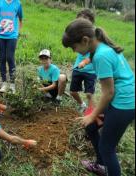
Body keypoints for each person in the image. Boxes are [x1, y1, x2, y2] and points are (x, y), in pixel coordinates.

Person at [62, 18, 135, 176]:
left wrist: (94, 114)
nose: (74, 51)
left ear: (85, 40)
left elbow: (108, 93)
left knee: (106, 148)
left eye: (74, 47)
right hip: (123, 98)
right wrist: (94, 116)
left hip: (124, 104)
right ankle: (101, 166)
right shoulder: (102, 47)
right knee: (90, 126)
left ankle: (106, 166)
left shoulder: (101, 55)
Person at [0, 0, 23, 93]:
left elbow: (20, 19)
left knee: (10, 57)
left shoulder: (18, 3)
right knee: (2, 58)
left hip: (12, 35)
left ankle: (12, 84)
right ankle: (4, 83)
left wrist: (18, 32)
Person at [70, 9, 97, 113]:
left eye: (85, 20)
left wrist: (85, 62)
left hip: (91, 71)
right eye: (80, 20)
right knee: (72, 91)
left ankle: (91, 113)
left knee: (89, 94)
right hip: (78, 67)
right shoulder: (77, 34)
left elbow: (96, 53)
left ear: (91, 21)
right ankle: (82, 104)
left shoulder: (95, 35)